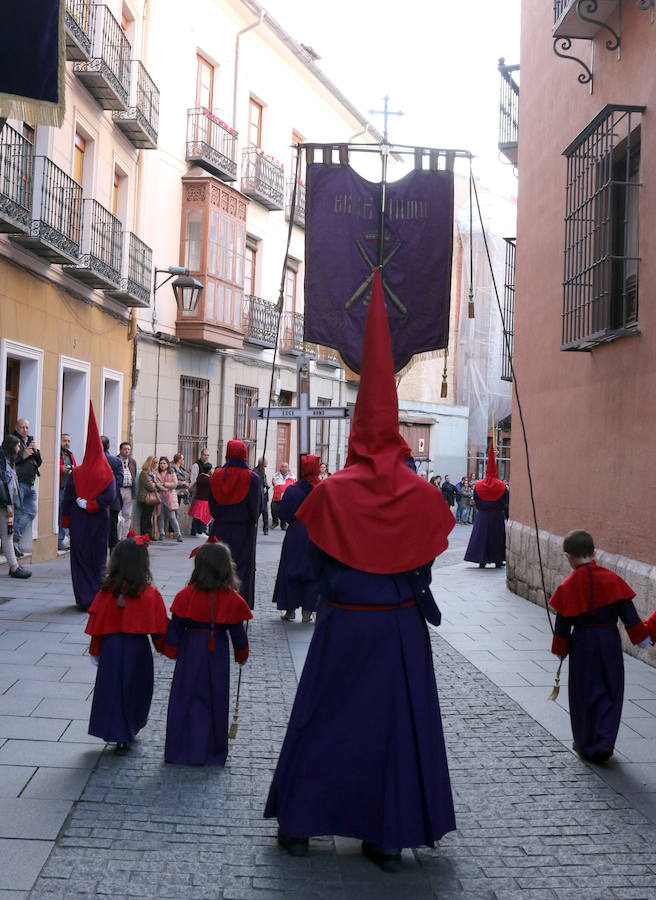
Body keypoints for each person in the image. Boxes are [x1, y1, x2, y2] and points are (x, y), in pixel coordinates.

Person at [265, 270, 457, 873]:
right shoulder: (424, 497)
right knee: (394, 728)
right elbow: (423, 560)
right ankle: (387, 835)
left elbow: (313, 557)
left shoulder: (331, 494)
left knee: (327, 720)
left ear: (354, 430)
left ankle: (301, 824)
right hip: (398, 627)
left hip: (344, 625)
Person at [549, 529, 650, 764]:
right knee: (610, 688)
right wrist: (642, 638)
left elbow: (562, 623)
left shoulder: (567, 586)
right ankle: (604, 741)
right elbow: (629, 615)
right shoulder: (613, 580)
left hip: (583, 643)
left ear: (568, 557)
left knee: (583, 692)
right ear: (594, 553)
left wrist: (560, 649)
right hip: (608, 641)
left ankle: (585, 742)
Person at [161, 541, 252, 766]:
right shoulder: (232, 598)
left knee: (185, 697)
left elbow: (175, 628)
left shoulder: (186, 595)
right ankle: (211, 751)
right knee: (216, 697)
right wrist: (241, 653)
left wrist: (171, 648)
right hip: (217, 653)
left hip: (191, 651)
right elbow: (238, 632)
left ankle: (181, 750)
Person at [85, 533, 169, 755]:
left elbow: (97, 626)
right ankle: (128, 730)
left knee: (111, 690)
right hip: (137, 651)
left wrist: (95, 652)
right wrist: (169, 648)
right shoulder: (150, 594)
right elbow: (160, 631)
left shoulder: (105, 592)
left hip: (111, 649)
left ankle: (116, 730)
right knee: (136, 690)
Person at [61, 405, 116, 610]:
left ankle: (85, 596)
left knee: (80, 556)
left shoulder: (77, 472)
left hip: (79, 520)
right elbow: (109, 496)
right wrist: (94, 504)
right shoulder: (107, 473)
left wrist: (67, 518)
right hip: (99, 519)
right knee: (98, 556)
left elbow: (67, 498)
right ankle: (97, 594)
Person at [208, 441, 263, 609]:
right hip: (244, 530)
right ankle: (239, 605)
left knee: (218, 565)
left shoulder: (216, 475)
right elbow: (256, 507)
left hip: (220, 527)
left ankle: (217, 602)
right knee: (242, 566)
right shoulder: (253, 478)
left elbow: (212, 505)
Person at [272, 454, 321, 624]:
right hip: (317, 535)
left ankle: (290, 610)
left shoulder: (293, 490)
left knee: (291, 570)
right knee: (312, 572)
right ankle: (308, 612)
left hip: (296, 534)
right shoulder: (322, 489)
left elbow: (283, 514)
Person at [464, 444, 509, 568]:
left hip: (483, 515)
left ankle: (481, 559)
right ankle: (498, 559)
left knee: (482, 537)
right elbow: (506, 501)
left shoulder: (478, 485)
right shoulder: (502, 486)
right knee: (496, 538)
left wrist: (482, 508)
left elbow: (477, 500)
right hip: (497, 516)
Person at [0, 435, 32, 578]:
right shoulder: (2, 461)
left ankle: (14, 565)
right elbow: (2, 484)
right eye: (18, 446)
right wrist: (7, 505)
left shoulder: (7, 460)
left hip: (7, 503)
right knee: (8, 535)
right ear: (11, 446)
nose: (19, 449)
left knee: (8, 534)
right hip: (4, 504)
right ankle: (14, 567)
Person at [12, 418, 42, 557]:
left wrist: (36, 451)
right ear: (17, 428)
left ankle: (14, 538)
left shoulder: (30, 441)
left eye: (27, 427)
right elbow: (9, 460)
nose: (25, 430)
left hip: (30, 482)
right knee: (17, 512)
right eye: (22, 427)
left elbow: (39, 462)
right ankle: (13, 542)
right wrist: (22, 456)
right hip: (19, 481)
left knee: (31, 512)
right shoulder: (12, 440)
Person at [101, 436, 124, 551]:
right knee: (112, 529)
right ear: (108, 446)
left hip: (95, 500)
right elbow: (119, 482)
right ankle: (113, 557)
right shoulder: (116, 461)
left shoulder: (90, 459)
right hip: (112, 500)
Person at [155, 457, 183, 541]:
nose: (162, 465)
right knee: (160, 517)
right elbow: (156, 483)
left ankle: (178, 534)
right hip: (160, 497)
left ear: (168, 464)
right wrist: (161, 486)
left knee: (172, 517)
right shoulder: (157, 473)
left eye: (164, 463)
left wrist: (165, 484)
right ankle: (162, 534)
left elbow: (175, 484)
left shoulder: (171, 472)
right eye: (161, 463)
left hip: (169, 497)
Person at [58, 433, 76, 551]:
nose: (67, 443)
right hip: (59, 489)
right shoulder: (57, 453)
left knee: (67, 515)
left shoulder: (70, 454)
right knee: (59, 515)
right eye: (64, 440)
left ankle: (66, 538)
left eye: (69, 441)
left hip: (69, 490)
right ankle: (60, 540)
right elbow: (53, 466)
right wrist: (61, 468)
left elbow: (75, 467)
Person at [117, 442, 137, 540]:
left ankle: (124, 537)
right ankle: (117, 536)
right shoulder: (115, 460)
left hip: (128, 489)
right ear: (120, 450)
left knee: (127, 514)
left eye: (129, 449)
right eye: (125, 449)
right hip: (119, 489)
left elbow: (134, 475)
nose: (127, 451)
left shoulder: (132, 462)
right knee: (118, 514)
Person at [189, 448, 211, 533]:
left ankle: (201, 529)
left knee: (201, 512)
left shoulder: (208, 465)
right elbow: (193, 479)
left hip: (204, 493)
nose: (206, 457)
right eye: (205, 455)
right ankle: (195, 529)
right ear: (201, 455)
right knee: (197, 513)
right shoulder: (196, 465)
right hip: (197, 491)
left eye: (208, 455)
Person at [137, 456, 160, 537]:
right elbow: (151, 486)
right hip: (145, 498)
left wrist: (157, 484)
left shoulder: (153, 473)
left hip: (152, 498)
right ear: (150, 463)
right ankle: (144, 534)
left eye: (157, 462)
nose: (156, 464)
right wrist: (157, 484)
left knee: (149, 516)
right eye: (155, 462)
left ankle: (149, 535)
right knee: (145, 516)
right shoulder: (145, 473)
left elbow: (159, 483)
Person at [271, 462, 296, 529]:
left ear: (288, 468)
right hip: (276, 496)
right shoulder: (276, 475)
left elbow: (294, 485)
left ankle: (283, 524)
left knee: (284, 511)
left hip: (286, 497)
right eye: (282, 466)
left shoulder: (292, 476)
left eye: (285, 467)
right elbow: (273, 483)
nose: (284, 468)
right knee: (274, 509)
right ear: (280, 468)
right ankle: (275, 522)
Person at [253, 456, 270, 536]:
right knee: (258, 512)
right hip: (258, 496)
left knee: (265, 512)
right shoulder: (256, 471)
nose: (267, 463)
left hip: (264, 496)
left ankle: (266, 528)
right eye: (266, 462)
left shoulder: (262, 471)